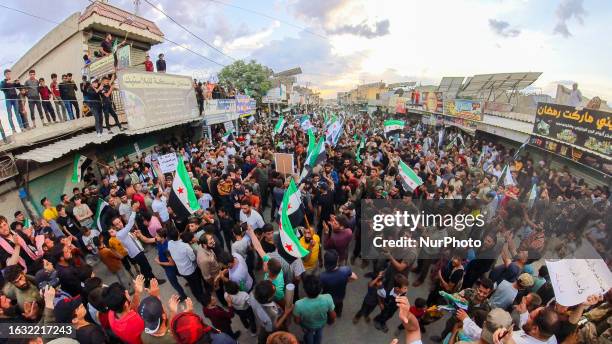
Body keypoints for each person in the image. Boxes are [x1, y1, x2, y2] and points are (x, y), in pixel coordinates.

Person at [110, 204, 164, 287]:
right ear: (114, 227)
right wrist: (134, 211)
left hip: (137, 252)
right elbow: (130, 223)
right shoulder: (120, 234)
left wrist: (134, 236)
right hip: (136, 254)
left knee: (143, 268)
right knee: (147, 267)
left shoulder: (123, 230)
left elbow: (130, 240)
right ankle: (154, 281)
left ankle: (146, 282)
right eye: (116, 224)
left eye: (119, 222)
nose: (119, 224)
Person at [167, 228, 206, 305]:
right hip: (191, 270)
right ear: (178, 233)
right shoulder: (185, 246)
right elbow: (193, 258)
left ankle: (197, 297)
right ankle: (202, 298)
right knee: (197, 285)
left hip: (181, 270)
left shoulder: (170, 243)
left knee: (192, 285)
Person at [293, 274, 336, 344]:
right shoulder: (328, 298)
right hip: (321, 323)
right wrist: (331, 320)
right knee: (319, 333)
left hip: (307, 325)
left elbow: (297, 321)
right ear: (320, 289)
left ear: (305, 289)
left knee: (309, 335)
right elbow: (333, 315)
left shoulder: (299, 304)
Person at [319, 250, 357, 318]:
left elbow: (319, 288)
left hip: (328, 298)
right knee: (339, 304)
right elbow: (355, 277)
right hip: (340, 295)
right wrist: (346, 280)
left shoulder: (322, 276)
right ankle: (339, 314)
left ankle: (330, 318)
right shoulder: (345, 270)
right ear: (337, 260)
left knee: (329, 308)